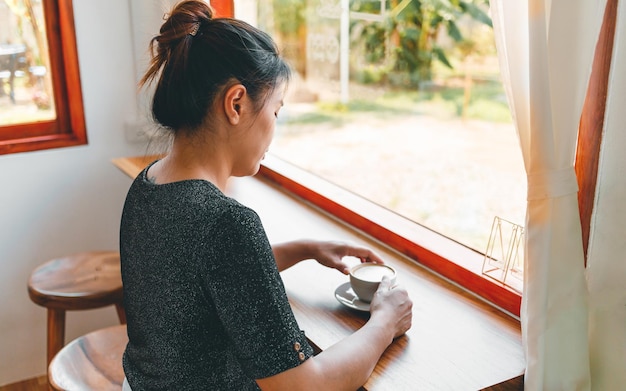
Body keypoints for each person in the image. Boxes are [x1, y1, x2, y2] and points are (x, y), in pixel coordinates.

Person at [119, 1, 413, 390]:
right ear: (236, 104)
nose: (275, 128)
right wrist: (384, 322)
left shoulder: (147, 186)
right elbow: (306, 386)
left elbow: (210, 280)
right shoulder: (225, 222)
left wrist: (305, 248)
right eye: (276, 111)